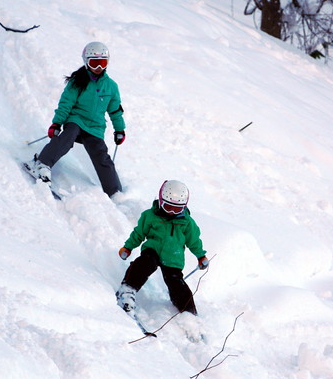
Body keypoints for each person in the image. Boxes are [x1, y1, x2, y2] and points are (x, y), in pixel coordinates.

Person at [25, 41, 125, 196]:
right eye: (94, 63)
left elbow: (115, 110)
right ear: (86, 61)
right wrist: (57, 123)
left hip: (95, 127)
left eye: (102, 63)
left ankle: (115, 192)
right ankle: (41, 164)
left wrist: (120, 129)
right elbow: (66, 103)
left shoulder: (111, 86)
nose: (98, 68)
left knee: (101, 154)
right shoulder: (78, 81)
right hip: (76, 119)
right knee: (68, 136)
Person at [115, 180, 210, 315]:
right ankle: (127, 290)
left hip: (173, 257)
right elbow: (139, 233)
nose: (171, 212)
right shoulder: (150, 216)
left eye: (177, 209)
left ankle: (189, 312)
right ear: (160, 201)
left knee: (176, 283)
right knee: (144, 264)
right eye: (168, 207)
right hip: (152, 250)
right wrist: (128, 247)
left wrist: (201, 256)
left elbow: (194, 241)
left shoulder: (187, 223)